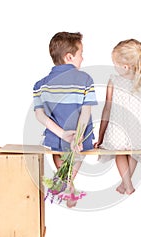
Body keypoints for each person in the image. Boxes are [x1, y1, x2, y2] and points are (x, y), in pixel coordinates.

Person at [94, 39, 141, 195]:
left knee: (119, 152)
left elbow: (107, 109)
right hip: (140, 137)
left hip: (117, 135)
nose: (114, 67)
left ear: (125, 66)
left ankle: (127, 184)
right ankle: (126, 184)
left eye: (115, 64)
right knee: (135, 150)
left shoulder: (114, 80)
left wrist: (101, 136)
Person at [33, 32, 97, 207]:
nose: (82, 58)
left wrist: (63, 134)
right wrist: (76, 138)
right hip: (80, 137)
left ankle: (66, 182)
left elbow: (39, 115)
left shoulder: (40, 84)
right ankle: (68, 184)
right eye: (81, 54)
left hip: (56, 137)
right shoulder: (85, 79)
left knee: (58, 151)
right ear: (69, 56)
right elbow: (85, 113)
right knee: (78, 154)